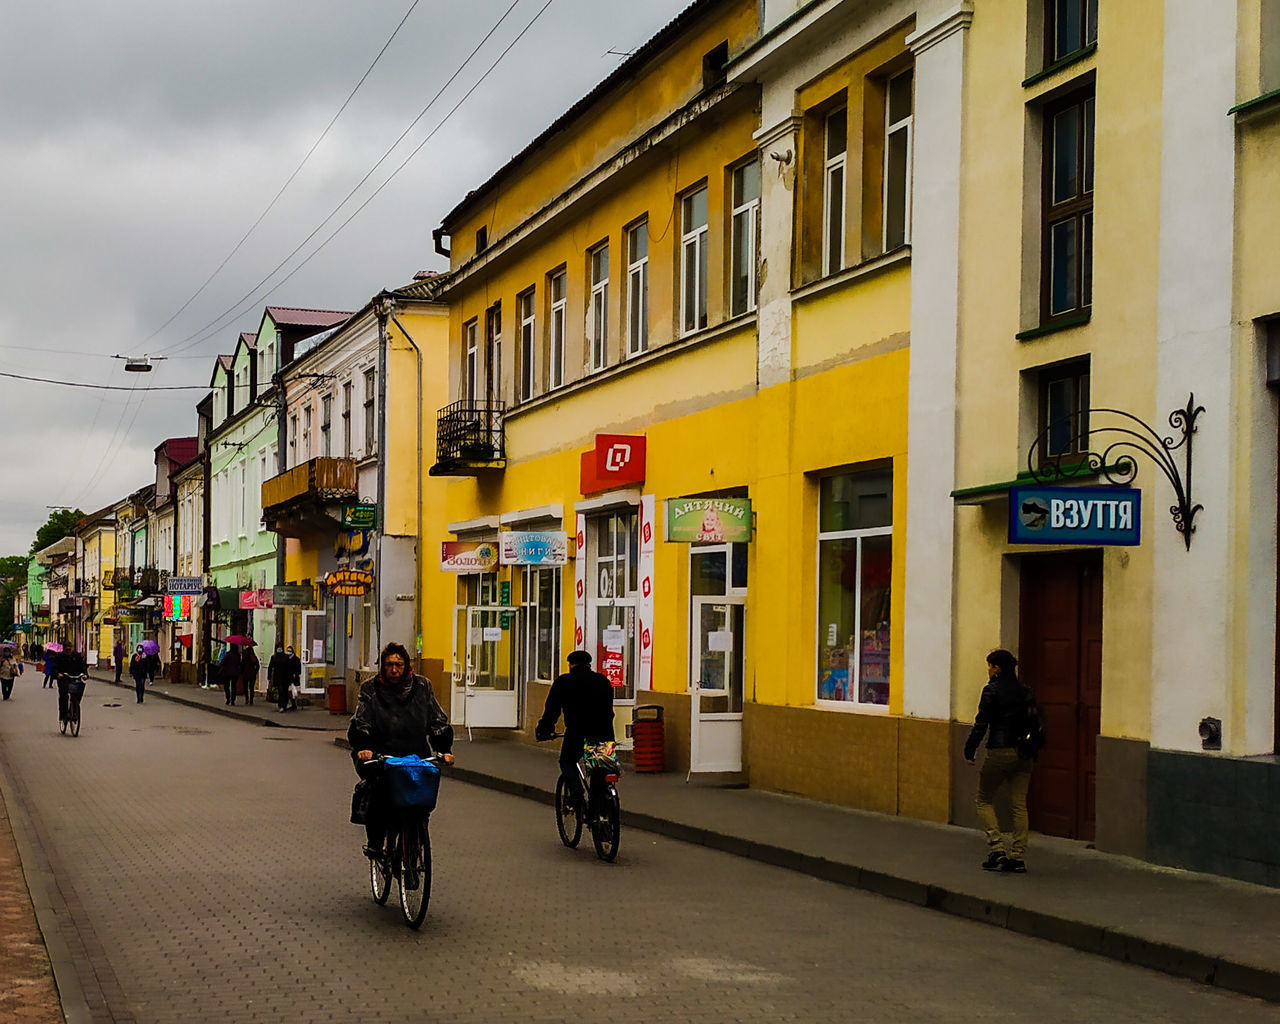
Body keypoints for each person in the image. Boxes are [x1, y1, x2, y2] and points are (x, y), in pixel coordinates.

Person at [348, 642, 455, 858]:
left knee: (421, 799)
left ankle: (416, 841)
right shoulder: (370, 689)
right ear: (383, 667)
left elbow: (437, 719)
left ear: (407, 665)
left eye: (398, 664)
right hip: (381, 755)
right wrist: (364, 747)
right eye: (389, 665)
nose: (394, 670)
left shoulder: (422, 686)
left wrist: (444, 748)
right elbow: (362, 721)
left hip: (416, 754)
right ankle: (376, 842)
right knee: (378, 795)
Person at [964, 649, 1037, 874]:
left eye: (989, 666)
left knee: (983, 799)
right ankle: (1017, 857)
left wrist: (970, 750)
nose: (988, 670)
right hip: (1025, 754)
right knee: (1018, 805)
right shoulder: (1025, 691)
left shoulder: (991, 690)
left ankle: (997, 849)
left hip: (1000, 751)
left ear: (997, 668)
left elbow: (981, 724)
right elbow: (1034, 721)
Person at [535, 650, 615, 808]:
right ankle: (604, 809)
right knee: (601, 773)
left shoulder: (564, 682)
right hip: (603, 733)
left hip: (577, 733)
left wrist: (544, 730)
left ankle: (576, 791)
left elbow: (552, 710)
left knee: (567, 761)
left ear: (571, 665)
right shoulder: (602, 681)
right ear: (589, 665)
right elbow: (608, 710)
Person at [54, 646, 87, 725]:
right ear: (64, 650)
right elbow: (54, 668)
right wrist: (57, 674)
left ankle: (75, 707)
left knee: (80, 687)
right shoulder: (60, 657)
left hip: (75, 677)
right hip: (64, 679)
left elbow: (83, 666)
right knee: (63, 696)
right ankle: (63, 714)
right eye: (66, 650)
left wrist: (85, 675)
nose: (68, 652)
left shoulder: (77, 656)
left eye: (69, 650)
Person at [268, 643, 290, 712]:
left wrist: (290, 676)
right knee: (281, 691)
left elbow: (289, 667)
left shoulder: (286, 657)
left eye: (281, 648)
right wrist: (269, 677)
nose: (279, 649)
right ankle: (281, 705)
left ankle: (285, 704)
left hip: (286, 677)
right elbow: (270, 667)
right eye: (278, 648)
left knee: (285, 691)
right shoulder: (274, 657)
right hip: (278, 677)